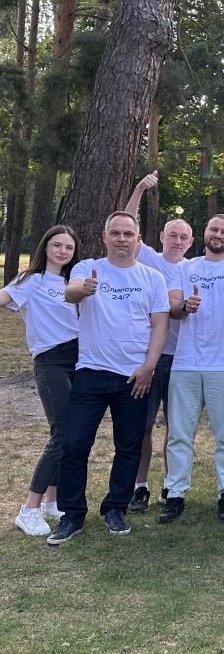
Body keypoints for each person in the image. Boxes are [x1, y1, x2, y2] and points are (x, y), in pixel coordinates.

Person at [47, 212, 169, 544]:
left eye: (128, 234)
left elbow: (160, 324)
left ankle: (115, 508)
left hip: (134, 376)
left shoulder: (152, 277)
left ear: (138, 239)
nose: (121, 239)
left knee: (128, 447)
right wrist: (83, 289)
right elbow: (71, 292)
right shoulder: (87, 268)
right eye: (115, 233)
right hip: (91, 372)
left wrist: (149, 367)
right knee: (74, 445)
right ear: (104, 237)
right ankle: (72, 515)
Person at [160, 214, 224, 524]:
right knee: (179, 434)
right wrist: (184, 306)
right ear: (205, 233)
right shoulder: (185, 268)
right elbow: (173, 305)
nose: (218, 235)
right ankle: (175, 494)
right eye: (214, 229)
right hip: (186, 363)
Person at [3, 226, 80, 536]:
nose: (63, 251)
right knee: (62, 434)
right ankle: (28, 509)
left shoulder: (72, 281)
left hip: (79, 359)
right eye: (57, 245)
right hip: (50, 361)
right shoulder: (30, 280)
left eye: (69, 247)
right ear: (45, 247)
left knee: (70, 433)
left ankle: (51, 502)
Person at [124, 171, 194, 511]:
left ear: (190, 243)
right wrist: (140, 188)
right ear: (161, 237)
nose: (177, 241)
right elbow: (127, 223)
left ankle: (171, 484)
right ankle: (140, 486)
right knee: (144, 426)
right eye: (173, 235)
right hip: (151, 357)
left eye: (183, 237)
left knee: (176, 427)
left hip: (183, 360)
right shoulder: (149, 259)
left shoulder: (193, 269)